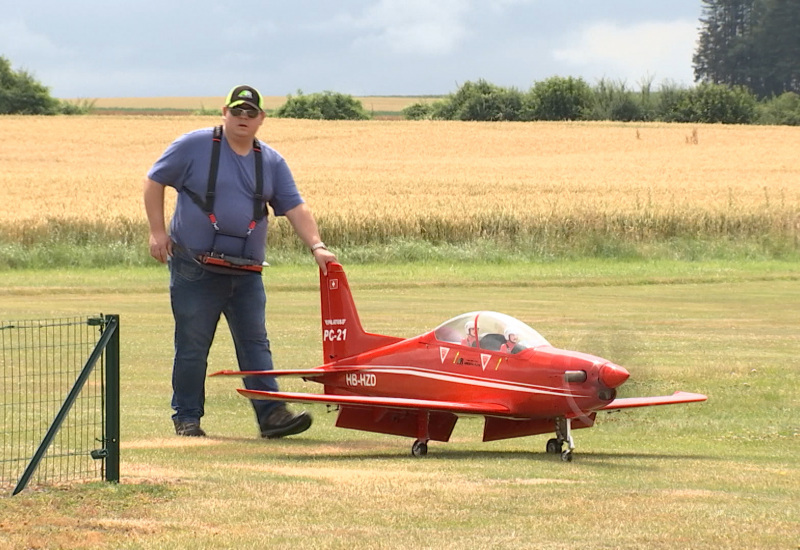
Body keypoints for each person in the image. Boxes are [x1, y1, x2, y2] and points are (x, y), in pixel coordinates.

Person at [143, 84, 337, 438]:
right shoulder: (193, 145)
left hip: (246, 272)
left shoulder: (272, 161)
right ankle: (187, 418)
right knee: (192, 345)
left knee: (255, 344)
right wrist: (157, 232)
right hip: (195, 266)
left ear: (262, 118)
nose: (243, 118)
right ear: (225, 112)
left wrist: (317, 246)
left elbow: (294, 206)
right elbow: (154, 180)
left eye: (251, 113)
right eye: (237, 112)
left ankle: (272, 416)